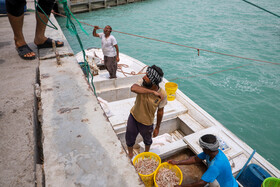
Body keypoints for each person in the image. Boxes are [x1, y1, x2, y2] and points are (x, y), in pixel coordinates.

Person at [125, 65, 167, 159]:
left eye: (147, 76)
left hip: (147, 123)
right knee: (129, 138)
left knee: (148, 141)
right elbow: (133, 88)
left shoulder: (162, 94)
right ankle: (130, 154)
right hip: (133, 117)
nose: (144, 77)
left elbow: (160, 112)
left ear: (153, 81)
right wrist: (151, 92)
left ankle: (146, 154)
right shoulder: (142, 83)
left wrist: (157, 127)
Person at [168, 134, 238, 187]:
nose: (201, 149)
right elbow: (195, 159)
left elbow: (201, 183)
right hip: (221, 179)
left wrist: (181, 186)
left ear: (206, 148)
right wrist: (176, 162)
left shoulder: (216, 165)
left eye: (202, 147)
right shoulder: (211, 152)